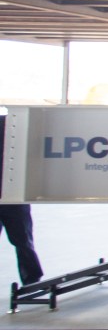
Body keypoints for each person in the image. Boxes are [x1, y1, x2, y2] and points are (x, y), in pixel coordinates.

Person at [0, 114, 43, 287]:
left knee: (22, 239)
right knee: (23, 239)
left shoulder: (14, 127)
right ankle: (32, 278)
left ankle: (32, 278)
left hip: (13, 196)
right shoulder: (14, 126)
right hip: (14, 195)